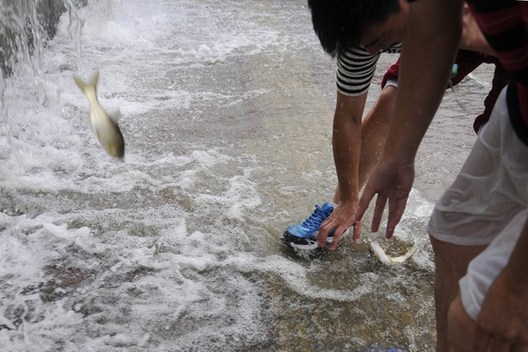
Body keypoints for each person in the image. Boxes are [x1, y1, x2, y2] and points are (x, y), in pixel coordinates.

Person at [354, 0, 528, 351]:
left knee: (479, 314)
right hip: (519, 102)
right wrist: (397, 158)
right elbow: (433, 25)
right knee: (453, 233)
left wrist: (516, 287)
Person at [281, 0, 507, 251]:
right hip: (439, 30)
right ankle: (340, 213)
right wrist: (349, 197)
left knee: (502, 138)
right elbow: (349, 117)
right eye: (367, 46)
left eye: (381, 39)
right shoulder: (358, 38)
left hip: (502, 26)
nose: (374, 50)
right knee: (394, 100)